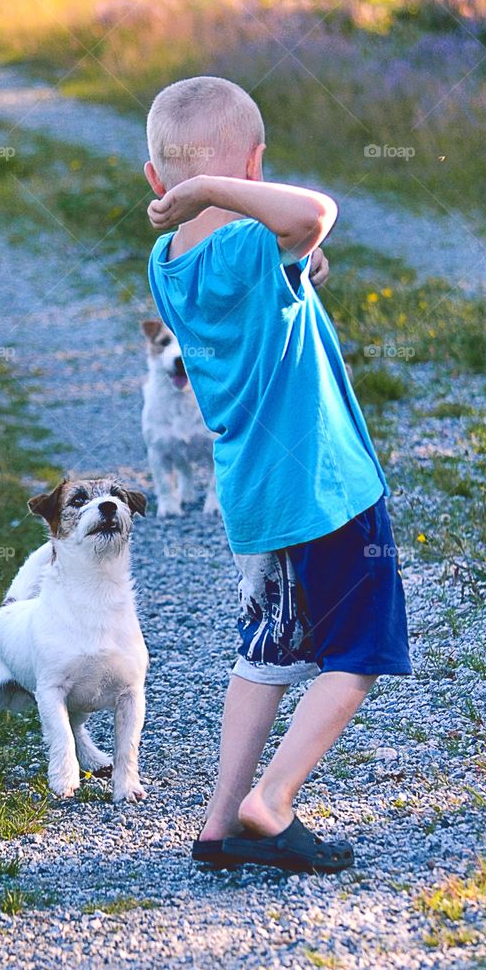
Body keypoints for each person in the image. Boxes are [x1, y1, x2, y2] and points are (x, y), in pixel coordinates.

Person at [144, 76, 412, 873]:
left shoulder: (167, 261)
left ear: (155, 182)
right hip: (325, 490)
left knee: (265, 653)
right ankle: (274, 799)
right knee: (358, 653)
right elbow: (314, 212)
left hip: (255, 499)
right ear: (256, 168)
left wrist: (292, 263)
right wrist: (225, 192)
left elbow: (272, 262)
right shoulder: (259, 237)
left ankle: (220, 822)